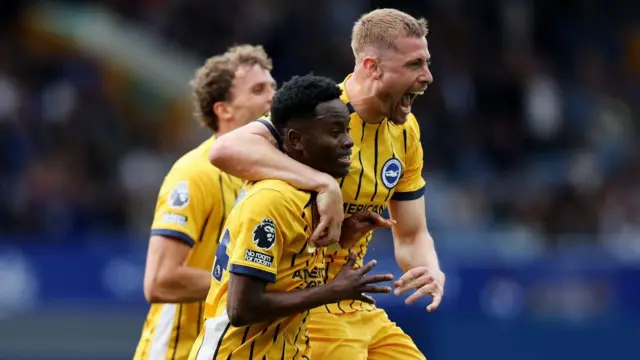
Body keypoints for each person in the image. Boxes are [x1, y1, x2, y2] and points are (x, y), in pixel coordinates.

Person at [207, 8, 445, 359]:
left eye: (426, 63)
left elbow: (411, 234)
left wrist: (428, 270)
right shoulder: (319, 111)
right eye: (414, 65)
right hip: (305, 302)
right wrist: (324, 184)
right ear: (371, 67)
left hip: (353, 299)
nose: (427, 76)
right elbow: (225, 149)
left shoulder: (406, 132)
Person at [188, 74, 395, 360]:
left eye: (347, 131)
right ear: (296, 140)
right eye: (335, 132)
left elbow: (292, 274)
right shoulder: (271, 200)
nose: (348, 142)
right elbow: (242, 308)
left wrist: (341, 238)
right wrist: (333, 292)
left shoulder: (309, 198)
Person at [133, 44, 276, 360]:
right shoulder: (196, 174)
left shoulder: (270, 177)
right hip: (177, 352)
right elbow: (160, 280)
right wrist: (249, 282)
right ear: (223, 109)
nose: (272, 97)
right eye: (258, 89)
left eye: (272, 87)